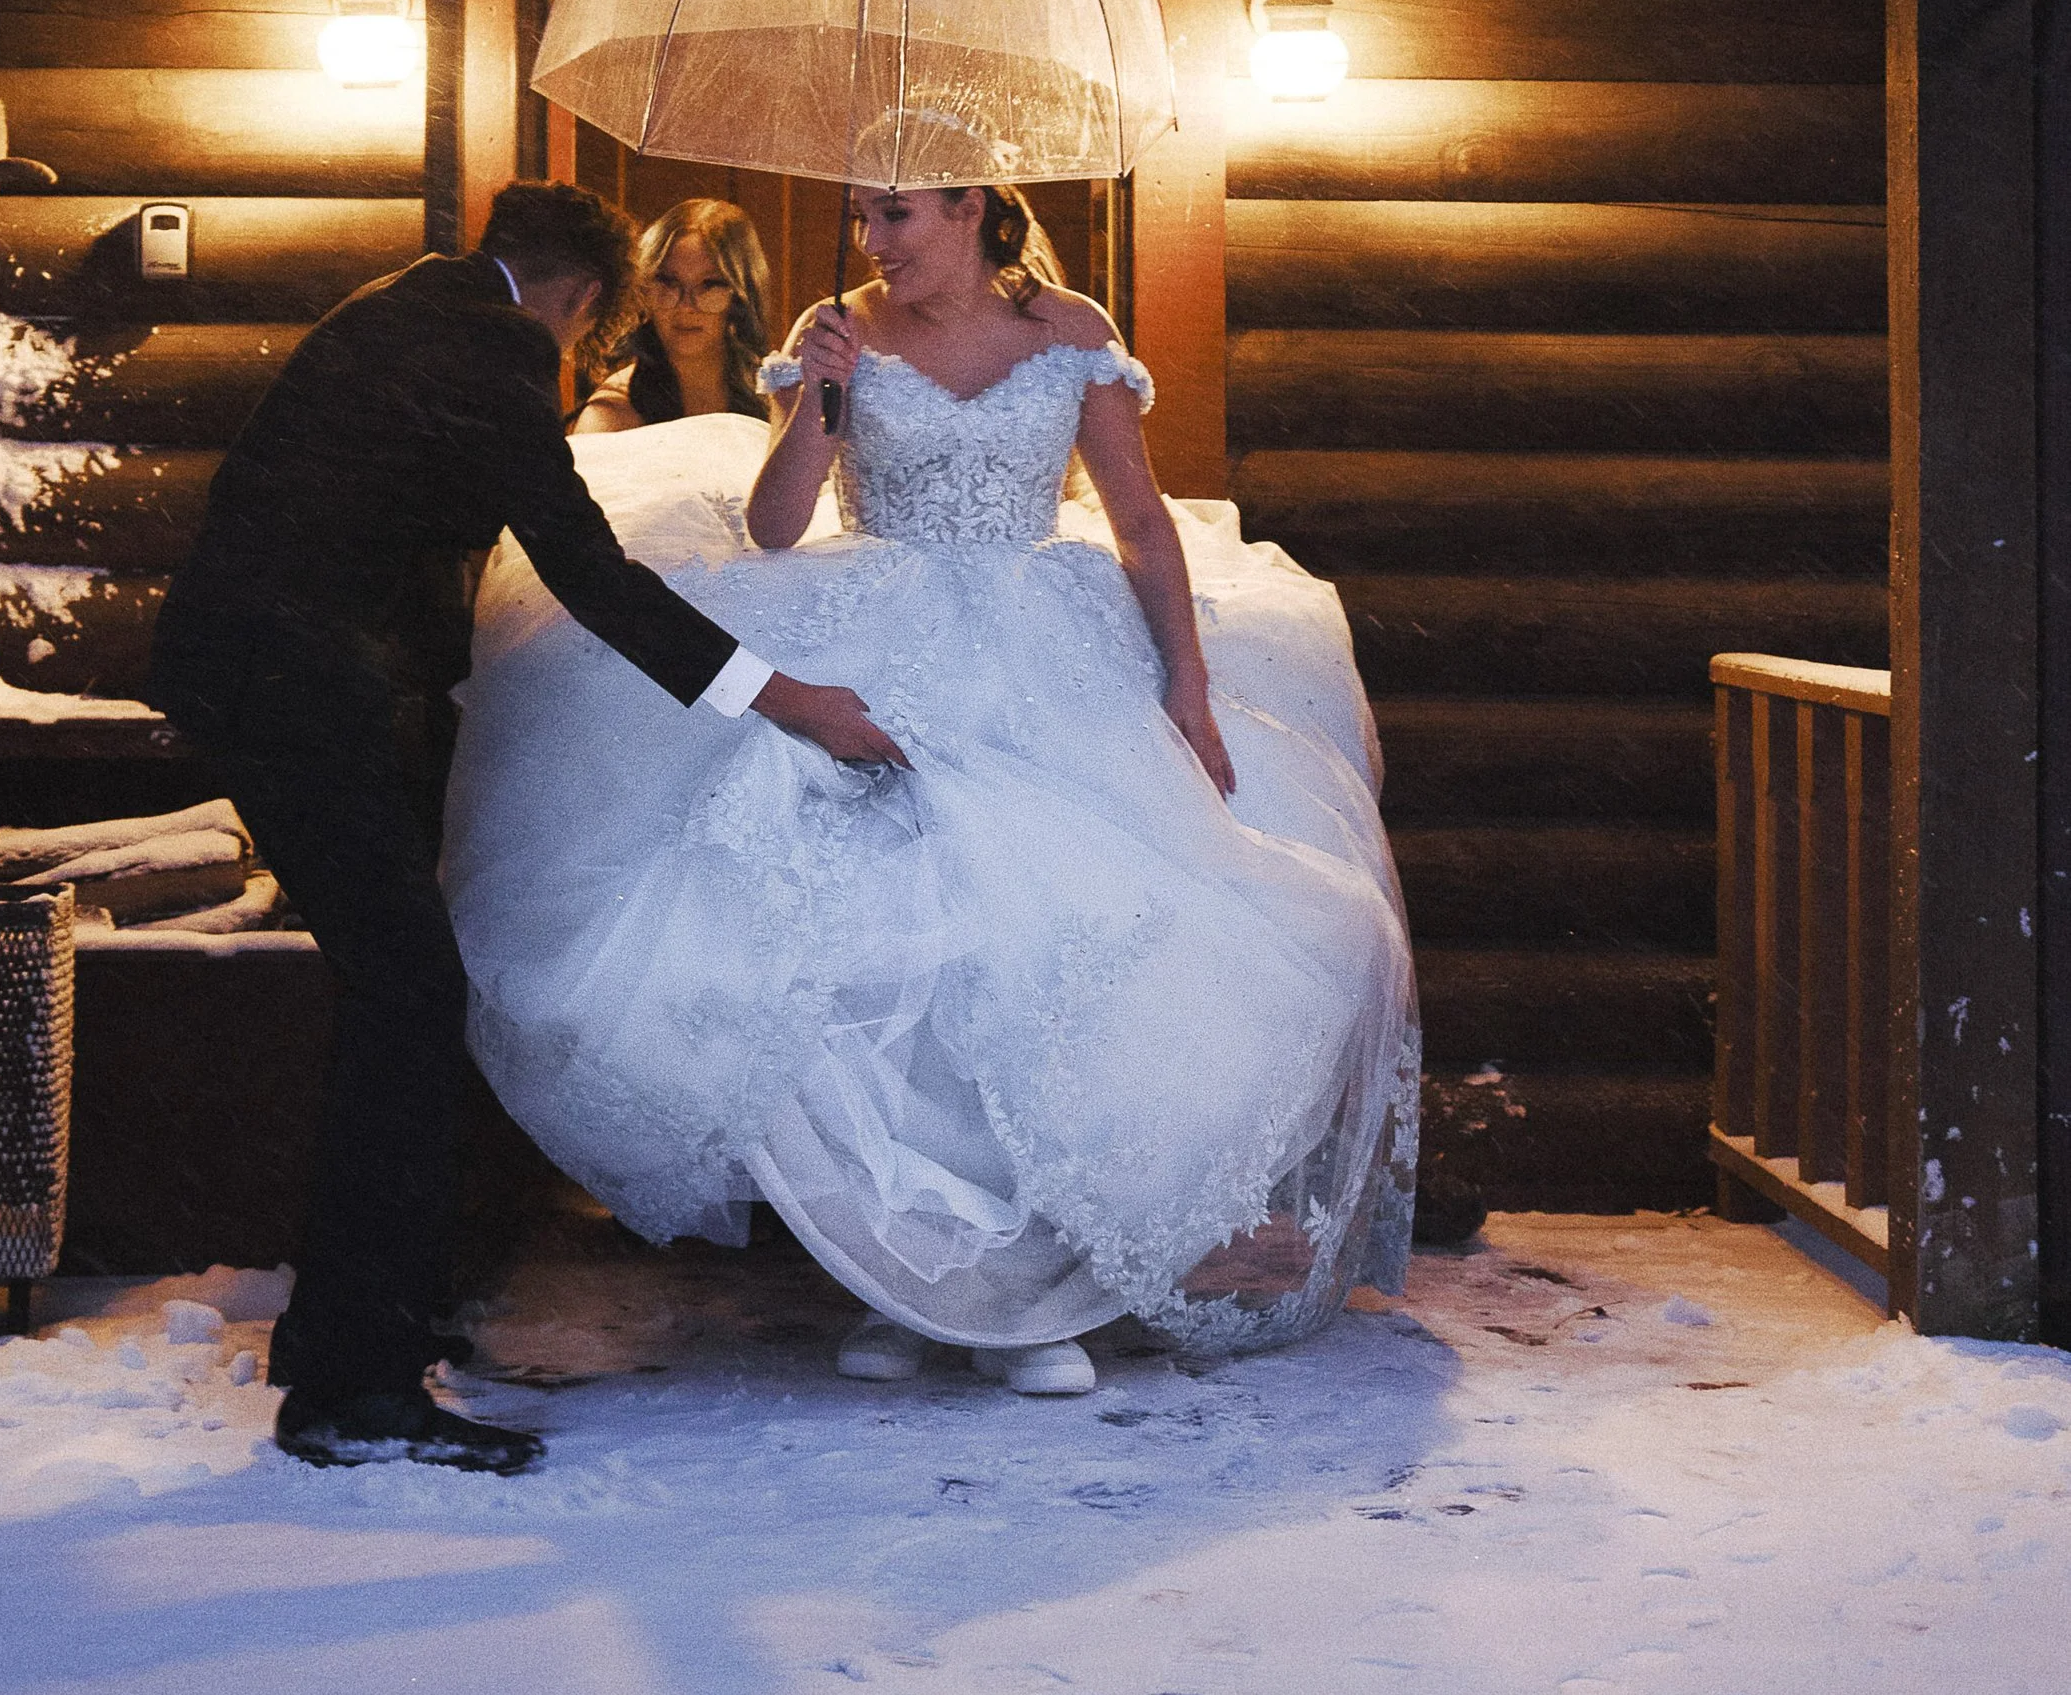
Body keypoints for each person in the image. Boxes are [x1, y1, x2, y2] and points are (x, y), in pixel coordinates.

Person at [447, 181, 1419, 1396]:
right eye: (863, 215)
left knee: (1049, 940)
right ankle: (906, 1280)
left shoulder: (1071, 331)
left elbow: (1138, 523)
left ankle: (1027, 1298)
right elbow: (775, 527)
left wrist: (1186, 686)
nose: (873, 242)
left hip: (1042, 647)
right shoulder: (831, 329)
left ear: (972, 214)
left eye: (897, 215)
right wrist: (826, 395)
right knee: (875, 946)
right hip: (874, 634)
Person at [149, 181, 906, 1473]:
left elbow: (399, 528)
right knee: (412, 994)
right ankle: (358, 1386)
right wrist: (789, 699)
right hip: (285, 680)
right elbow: (593, 575)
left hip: (260, 669)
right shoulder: (496, 354)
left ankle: (344, 1344)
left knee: (397, 990)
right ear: (589, 303)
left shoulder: (410, 304)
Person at [574, 198, 773, 430]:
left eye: (709, 284)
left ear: (740, 296)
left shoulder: (777, 399)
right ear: (642, 288)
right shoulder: (609, 414)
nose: (686, 306)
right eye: (668, 282)